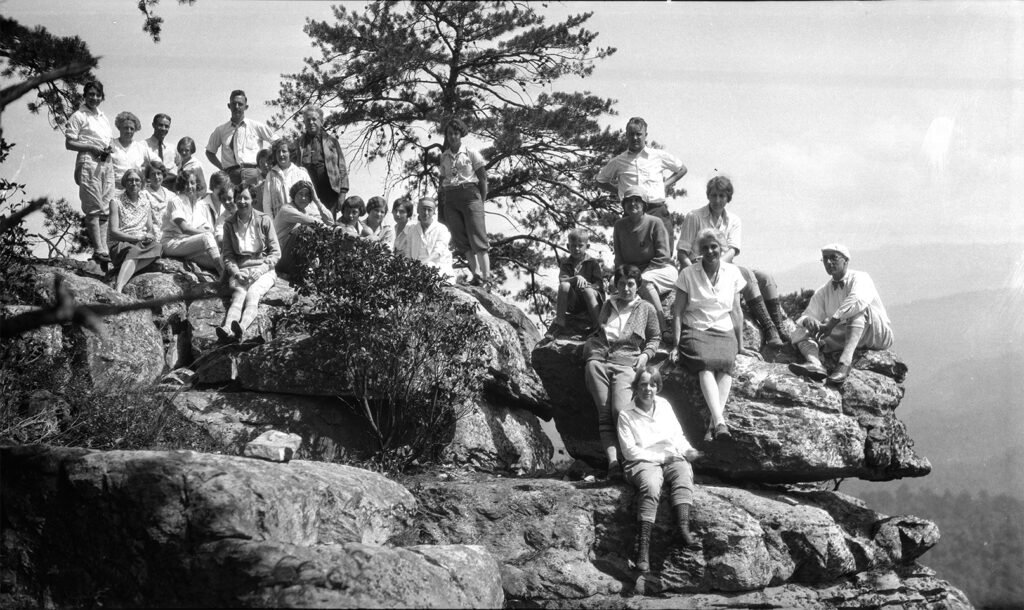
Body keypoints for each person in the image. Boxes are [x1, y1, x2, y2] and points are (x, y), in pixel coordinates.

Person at [676, 176, 786, 347]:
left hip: (723, 265)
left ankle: (780, 326)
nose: (717, 200)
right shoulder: (694, 216)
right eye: (713, 195)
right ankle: (769, 328)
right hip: (699, 266)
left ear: (728, 197)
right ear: (708, 196)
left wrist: (718, 263)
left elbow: (733, 250)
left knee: (765, 277)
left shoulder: (733, 220)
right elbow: (682, 252)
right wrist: (694, 274)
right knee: (748, 276)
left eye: (722, 196)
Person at [670, 228, 756, 441]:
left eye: (714, 247)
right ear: (699, 250)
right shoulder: (688, 274)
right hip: (696, 327)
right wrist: (675, 345)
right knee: (705, 363)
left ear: (722, 248)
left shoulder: (733, 273)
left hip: (723, 328)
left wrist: (741, 345)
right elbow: (678, 312)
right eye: (705, 247)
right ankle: (719, 421)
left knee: (727, 363)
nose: (710, 251)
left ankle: (713, 425)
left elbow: (736, 310)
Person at [617, 366, 702, 572]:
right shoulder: (625, 414)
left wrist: (687, 449)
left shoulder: (664, 405)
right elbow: (630, 452)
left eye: (653, 384)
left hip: (669, 455)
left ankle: (683, 527)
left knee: (683, 472)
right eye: (644, 384)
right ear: (636, 387)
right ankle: (643, 548)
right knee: (652, 485)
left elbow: (677, 435)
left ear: (658, 387)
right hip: (642, 460)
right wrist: (661, 457)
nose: (648, 389)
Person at [583, 265, 660, 480]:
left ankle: (631, 460)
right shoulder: (608, 304)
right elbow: (601, 329)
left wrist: (644, 357)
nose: (626, 289)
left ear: (638, 286)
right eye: (621, 284)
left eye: (630, 284)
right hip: (598, 361)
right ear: (615, 284)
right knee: (605, 415)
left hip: (627, 364)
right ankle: (614, 465)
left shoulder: (646, 308)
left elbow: (655, 338)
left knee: (621, 411)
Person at [788, 243, 894, 386]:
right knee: (801, 330)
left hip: (875, 332)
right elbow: (807, 314)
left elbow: (856, 300)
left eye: (833, 258)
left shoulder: (861, 277)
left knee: (857, 311)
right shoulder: (824, 290)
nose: (829, 262)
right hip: (845, 333)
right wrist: (809, 321)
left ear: (846, 260)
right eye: (825, 259)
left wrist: (831, 323)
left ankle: (844, 363)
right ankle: (814, 363)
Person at [597, 116, 687, 246]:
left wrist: (665, 185)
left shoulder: (658, 156)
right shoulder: (619, 161)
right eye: (631, 134)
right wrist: (621, 191)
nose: (635, 138)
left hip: (656, 210)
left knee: (663, 253)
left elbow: (682, 169)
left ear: (646, 135)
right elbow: (600, 180)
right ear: (626, 135)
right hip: (631, 214)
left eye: (639, 134)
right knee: (631, 256)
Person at [216, 184, 281, 343]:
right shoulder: (229, 224)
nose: (242, 201)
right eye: (239, 198)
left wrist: (262, 268)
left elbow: (276, 252)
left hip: (263, 268)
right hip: (241, 269)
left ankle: (241, 328)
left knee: (253, 293)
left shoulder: (264, 220)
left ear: (253, 200)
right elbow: (228, 255)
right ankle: (226, 328)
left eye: (246, 198)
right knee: (239, 295)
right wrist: (236, 272)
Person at [612, 186, 677, 340]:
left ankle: (663, 329)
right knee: (612, 285)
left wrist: (639, 275)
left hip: (660, 268)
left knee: (644, 283)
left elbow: (663, 255)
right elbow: (619, 259)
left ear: (644, 205)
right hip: (632, 272)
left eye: (637, 200)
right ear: (624, 205)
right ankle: (616, 333)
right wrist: (622, 276)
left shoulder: (655, 222)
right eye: (628, 201)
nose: (633, 204)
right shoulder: (619, 226)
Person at [64, 80, 114, 268]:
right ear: (85, 95)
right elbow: (70, 143)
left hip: (105, 162)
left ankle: (103, 250)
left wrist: (107, 150)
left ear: (102, 97)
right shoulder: (78, 115)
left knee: (106, 207)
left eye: (97, 95)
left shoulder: (103, 117)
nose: (94, 98)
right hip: (89, 161)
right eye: (91, 94)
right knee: (93, 205)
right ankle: (99, 248)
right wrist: (92, 147)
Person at [438, 117, 491, 285]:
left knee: (478, 238)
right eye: (449, 134)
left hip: (470, 195)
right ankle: (476, 275)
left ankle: (486, 277)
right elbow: (442, 181)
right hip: (451, 198)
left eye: (455, 133)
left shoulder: (471, 152)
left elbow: (483, 178)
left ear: (461, 134)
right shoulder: (444, 157)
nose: (452, 137)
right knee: (461, 239)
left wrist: (481, 200)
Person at [205, 89, 276, 188]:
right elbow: (209, 152)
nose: (237, 107)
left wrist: (267, 163)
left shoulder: (257, 127)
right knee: (232, 202)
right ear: (229, 106)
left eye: (240, 104)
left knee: (255, 202)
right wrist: (221, 168)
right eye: (234, 104)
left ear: (246, 107)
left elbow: (278, 143)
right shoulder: (221, 130)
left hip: (253, 174)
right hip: (231, 176)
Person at [160, 168, 224, 275]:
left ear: (196, 184)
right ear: (181, 184)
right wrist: (207, 233)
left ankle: (229, 278)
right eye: (186, 183)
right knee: (207, 237)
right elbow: (185, 228)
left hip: (187, 244)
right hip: (172, 242)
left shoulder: (196, 203)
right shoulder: (176, 200)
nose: (190, 186)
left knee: (221, 261)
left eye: (192, 183)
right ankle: (223, 276)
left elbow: (206, 227)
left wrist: (206, 232)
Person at [545, 229, 605, 340]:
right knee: (564, 286)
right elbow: (563, 281)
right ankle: (560, 324)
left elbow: (599, 285)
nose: (576, 249)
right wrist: (576, 278)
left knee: (587, 291)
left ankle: (598, 327)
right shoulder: (566, 263)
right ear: (568, 246)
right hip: (574, 303)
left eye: (580, 245)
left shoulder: (593, 263)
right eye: (573, 246)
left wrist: (588, 286)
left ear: (587, 246)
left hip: (590, 301)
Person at [108, 169, 161, 292]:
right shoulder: (116, 202)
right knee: (134, 250)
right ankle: (119, 288)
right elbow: (113, 232)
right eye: (130, 180)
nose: (134, 183)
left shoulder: (145, 202)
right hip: (120, 243)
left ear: (142, 183)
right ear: (125, 182)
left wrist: (150, 235)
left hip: (139, 242)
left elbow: (149, 227)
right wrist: (136, 238)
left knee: (158, 247)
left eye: (137, 180)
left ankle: (124, 271)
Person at [293, 106, 349, 214]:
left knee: (328, 223)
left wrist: (342, 193)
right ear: (304, 123)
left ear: (321, 121)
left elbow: (342, 168)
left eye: (314, 119)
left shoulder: (332, 142)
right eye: (307, 120)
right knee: (308, 223)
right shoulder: (298, 143)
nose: (311, 122)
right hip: (307, 190)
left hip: (328, 189)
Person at [275, 179, 335, 274]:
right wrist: (331, 230)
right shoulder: (287, 210)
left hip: (291, 257)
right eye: (300, 194)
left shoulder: (305, 211)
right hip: (280, 258)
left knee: (319, 233)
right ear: (294, 195)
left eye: (307, 195)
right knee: (306, 230)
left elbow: (330, 221)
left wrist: (316, 200)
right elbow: (312, 221)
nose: (303, 198)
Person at [262, 137, 319, 219]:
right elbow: (267, 203)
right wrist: (271, 224)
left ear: (290, 153)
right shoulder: (270, 176)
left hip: (301, 222)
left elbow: (312, 199)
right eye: (278, 152)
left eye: (284, 151)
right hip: (279, 224)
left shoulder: (301, 173)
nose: (281, 154)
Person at [401, 197, 454, 280]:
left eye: (429, 210)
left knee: (429, 266)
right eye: (423, 209)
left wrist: (423, 263)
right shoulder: (412, 230)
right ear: (418, 210)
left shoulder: (442, 229)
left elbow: (438, 251)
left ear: (434, 212)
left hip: (437, 269)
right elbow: (408, 253)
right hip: (416, 270)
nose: (426, 213)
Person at [109, 111, 147, 194]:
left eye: (132, 128)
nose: (129, 131)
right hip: (114, 189)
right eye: (126, 128)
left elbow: (156, 163)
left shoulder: (140, 148)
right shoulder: (110, 144)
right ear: (119, 128)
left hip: (135, 190)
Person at [141, 113, 177, 188]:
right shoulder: (142, 146)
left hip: (170, 189)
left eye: (166, 126)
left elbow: (179, 168)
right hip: (150, 189)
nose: (163, 128)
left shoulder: (172, 149)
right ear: (153, 125)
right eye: (160, 125)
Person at [143, 161, 175, 229]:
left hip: (171, 230)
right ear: (148, 176)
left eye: (159, 173)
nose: (156, 177)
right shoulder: (144, 194)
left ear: (163, 174)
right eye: (153, 174)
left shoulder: (171, 195)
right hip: (154, 230)